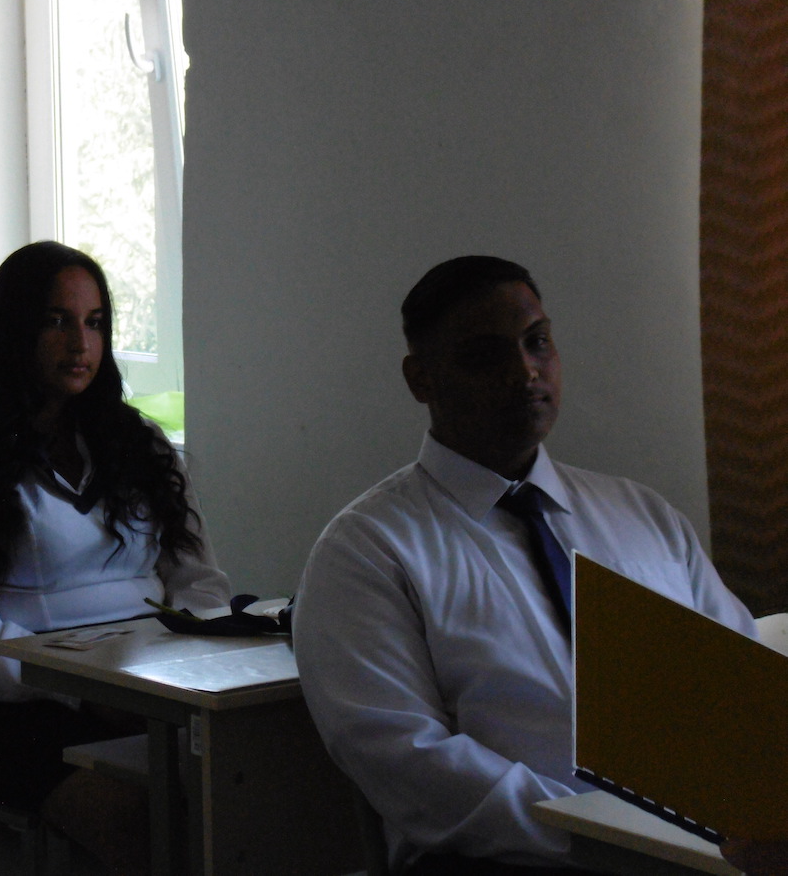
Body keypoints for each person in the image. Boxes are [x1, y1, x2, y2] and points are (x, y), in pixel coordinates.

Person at [292, 256, 755, 876]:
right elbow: (409, 764)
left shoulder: (642, 516)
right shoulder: (368, 550)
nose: (525, 371)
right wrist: (603, 836)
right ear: (421, 379)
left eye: (537, 342)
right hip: (510, 859)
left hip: (706, 847)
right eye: (484, 355)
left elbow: (744, 693)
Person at [0, 240, 230, 874]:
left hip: (148, 691)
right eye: (57, 321)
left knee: (248, 788)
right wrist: (87, 692)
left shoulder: (141, 445)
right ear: (15, 331)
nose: (80, 343)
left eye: (95, 323)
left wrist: (183, 667)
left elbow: (202, 583)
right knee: (139, 819)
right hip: (13, 710)